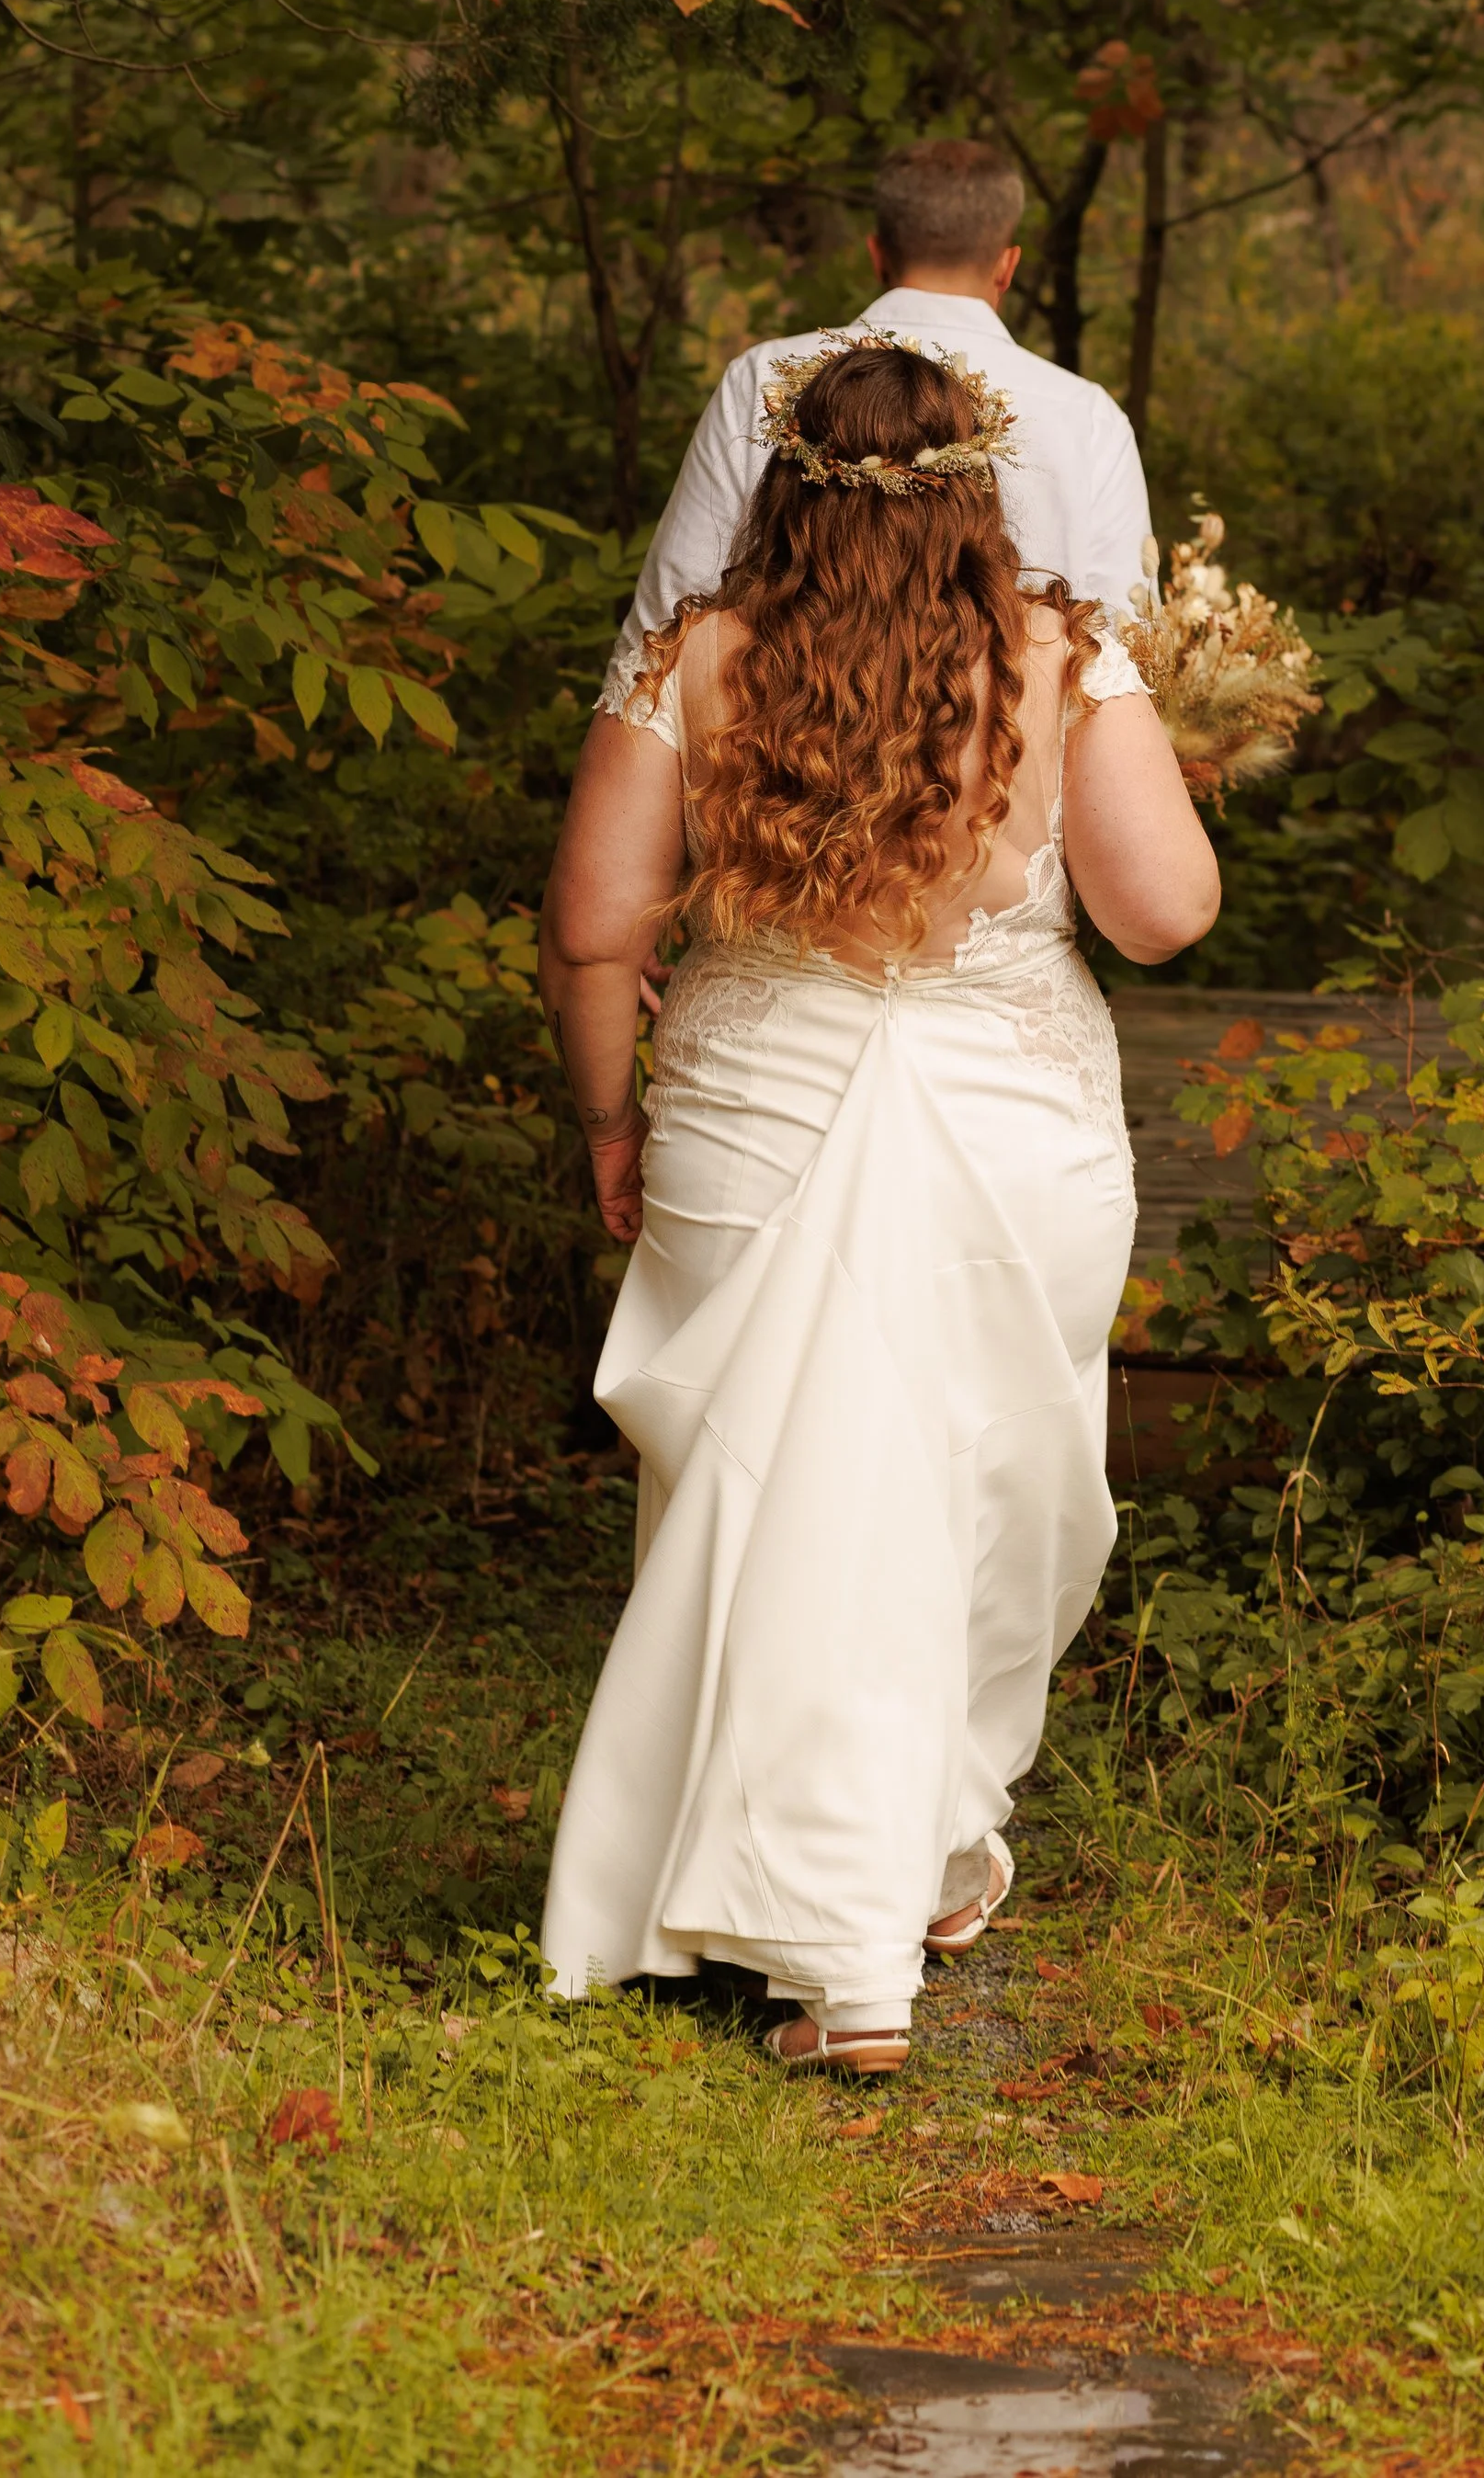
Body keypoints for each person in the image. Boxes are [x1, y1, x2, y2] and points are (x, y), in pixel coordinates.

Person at [536, 334, 1218, 2074]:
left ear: (778, 487)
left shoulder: (694, 654)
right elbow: (1162, 917)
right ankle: (864, 1938)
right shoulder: (1061, 652)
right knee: (981, 1493)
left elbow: (597, 927)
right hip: (1011, 1130)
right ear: (983, 490)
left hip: (755, 1110)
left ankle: (850, 1875)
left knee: (784, 1488)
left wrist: (612, 1120)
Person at [598, 136, 1153, 719]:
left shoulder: (764, 379)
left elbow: (670, 620)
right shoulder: (1089, 416)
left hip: (786, 762)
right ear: (1007, 266)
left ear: (877, 254)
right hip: (1006, 777)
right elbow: (1119, 645)